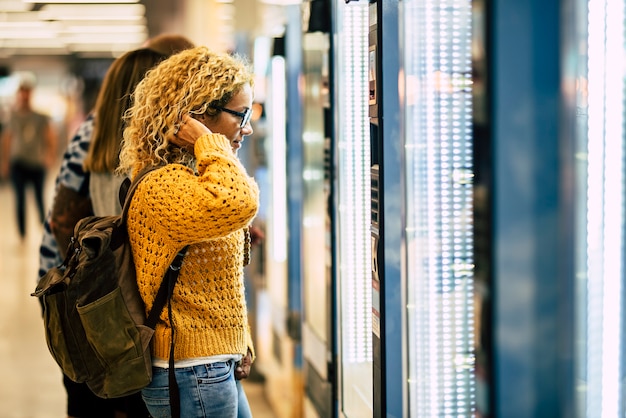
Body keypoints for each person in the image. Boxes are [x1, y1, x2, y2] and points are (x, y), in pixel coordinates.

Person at [37, 35, 194, 418]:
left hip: (83, 308)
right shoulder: (151, 152)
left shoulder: (91, 136)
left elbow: (61, 222)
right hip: (128, 316)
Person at [116, 46, 260, 418]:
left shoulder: (197, 177)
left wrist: (239, 339)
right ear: (197, 114)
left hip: (210, 364)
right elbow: (239, 202)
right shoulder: (163, 184)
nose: (248, 127)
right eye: (241, 114)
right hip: (190, 370)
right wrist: (208, 142)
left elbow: (215, 280)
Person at [1, 77, 57, 240]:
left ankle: (43, 227)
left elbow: (49, 135)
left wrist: (50, 155)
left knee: (39, 198)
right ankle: (22, 233)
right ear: (19, 95)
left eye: (27, 93)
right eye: (22, 93)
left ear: (31, 94)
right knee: (20, 199)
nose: (24, 96)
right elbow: (7, 138)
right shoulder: (13, 116)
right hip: (18, 162)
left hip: (36, 163)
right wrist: (4, 161)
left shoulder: (40, 117)